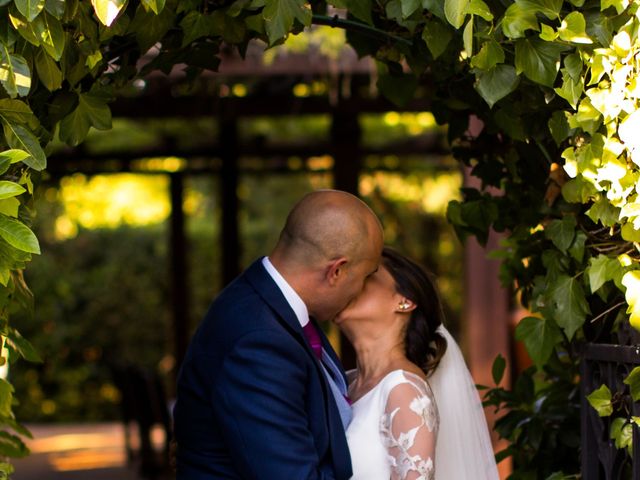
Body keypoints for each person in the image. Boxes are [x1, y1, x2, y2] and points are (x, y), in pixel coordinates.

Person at [172, 189, 384, 479]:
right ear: (336, 271)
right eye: (366, 276)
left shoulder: (269, 306)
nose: (362, 291)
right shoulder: (259, 341)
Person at [334, 247, 499, 480]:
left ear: (404, 301)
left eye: (368, 275)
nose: (349, 282)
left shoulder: (404, 390)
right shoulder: (344, 382)